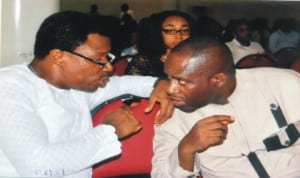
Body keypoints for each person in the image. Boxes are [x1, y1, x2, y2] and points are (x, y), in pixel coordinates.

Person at [0, 11, 173, 178]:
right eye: (99, 59)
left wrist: (157, 84)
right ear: (58, 56)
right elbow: (37, 166)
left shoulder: (76, 84)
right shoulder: (10, 88)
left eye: (108, 58)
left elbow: (121, 84)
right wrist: (111, 131)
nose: (109, 67)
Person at [152, 36, 300, 177]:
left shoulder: (284, 84)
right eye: (169, 78)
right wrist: (186, 149)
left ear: (218, 80)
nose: (171, 90)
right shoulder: (171, 115)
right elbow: (160, 175)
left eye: (182, 81)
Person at [125, 10, 194, 78]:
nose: (179, 36)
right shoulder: (144, 61)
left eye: (185, 30)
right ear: (158, 33)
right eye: (170, 31)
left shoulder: (197, 58)